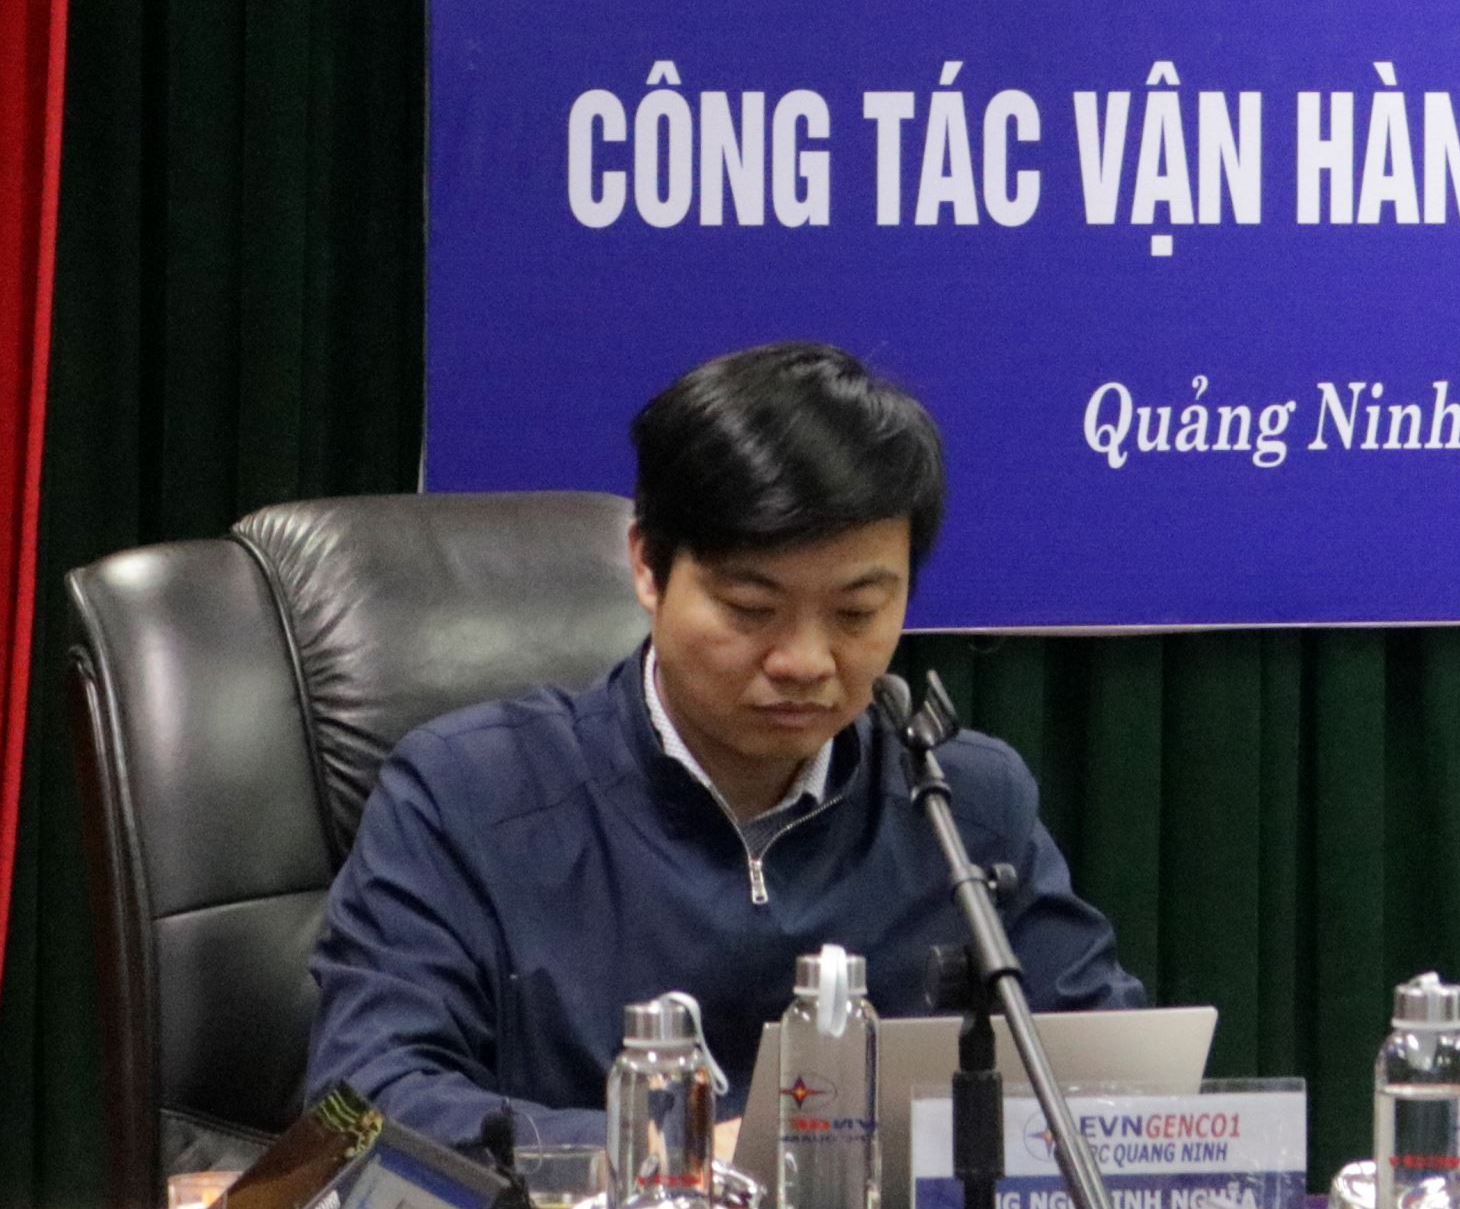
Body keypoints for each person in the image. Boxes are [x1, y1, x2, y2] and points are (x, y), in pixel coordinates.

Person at [307, 341, 1144, 1145]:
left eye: (856, 613)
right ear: (648, 566)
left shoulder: (962, 806)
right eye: (751, 609)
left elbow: (1118, 1080)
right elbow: (364, 1101)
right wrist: (688, 1154)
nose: (805, 661)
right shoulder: (469, 795)